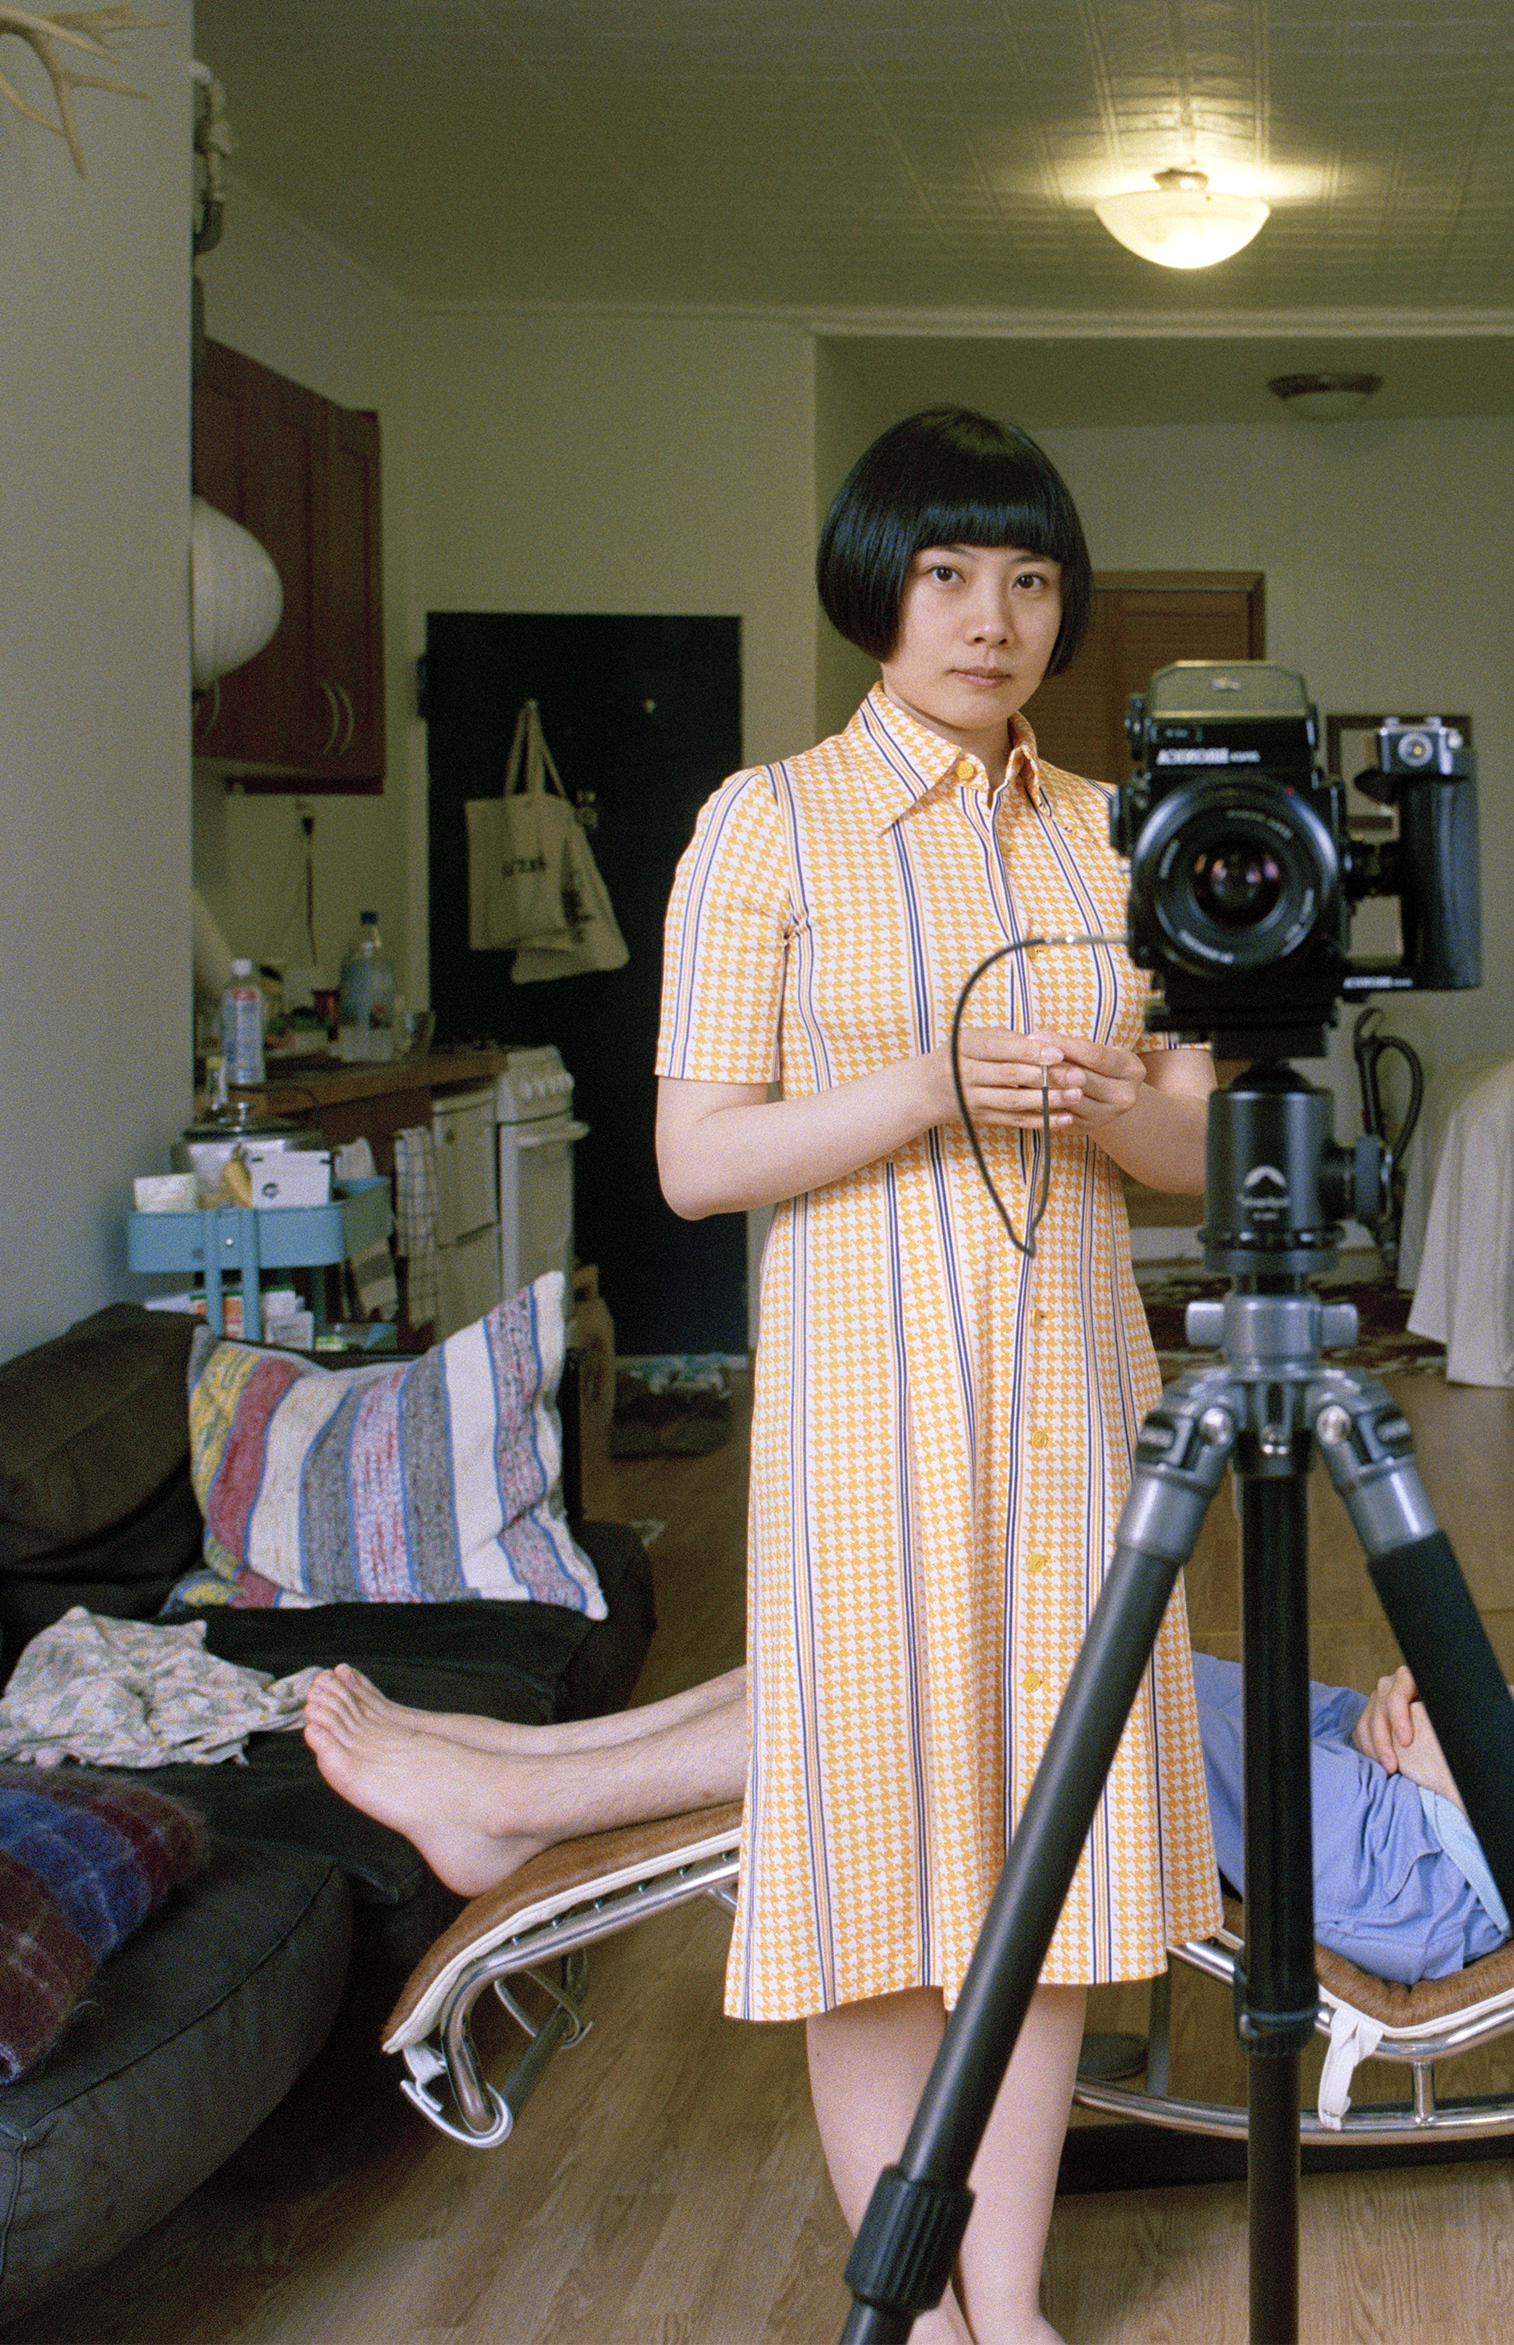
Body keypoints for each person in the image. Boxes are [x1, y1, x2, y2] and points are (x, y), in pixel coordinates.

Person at [517, 406, 1217, 2345]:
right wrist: (924, 1085)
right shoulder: (767, 824)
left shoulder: (1114, 835)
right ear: (878, 595)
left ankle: (1011, 2304)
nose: (991, 620)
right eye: (948, 575)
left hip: (1082, 1416)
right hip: (861, 1430)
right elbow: (693, 1157)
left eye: (1029, 580)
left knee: (1048, 1859)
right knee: (883, 1866)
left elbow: (1192, 1147)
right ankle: (916, 2310)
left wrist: (1096, 1106)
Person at [307, 1233, 1514, 2009]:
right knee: (963, 1612)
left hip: (1439, 1863)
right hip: (1433, 1778)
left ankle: (518, 1800)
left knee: (974, 1670)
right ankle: (524, 1760)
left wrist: (1463, 1769)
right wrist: (1452, 1716)